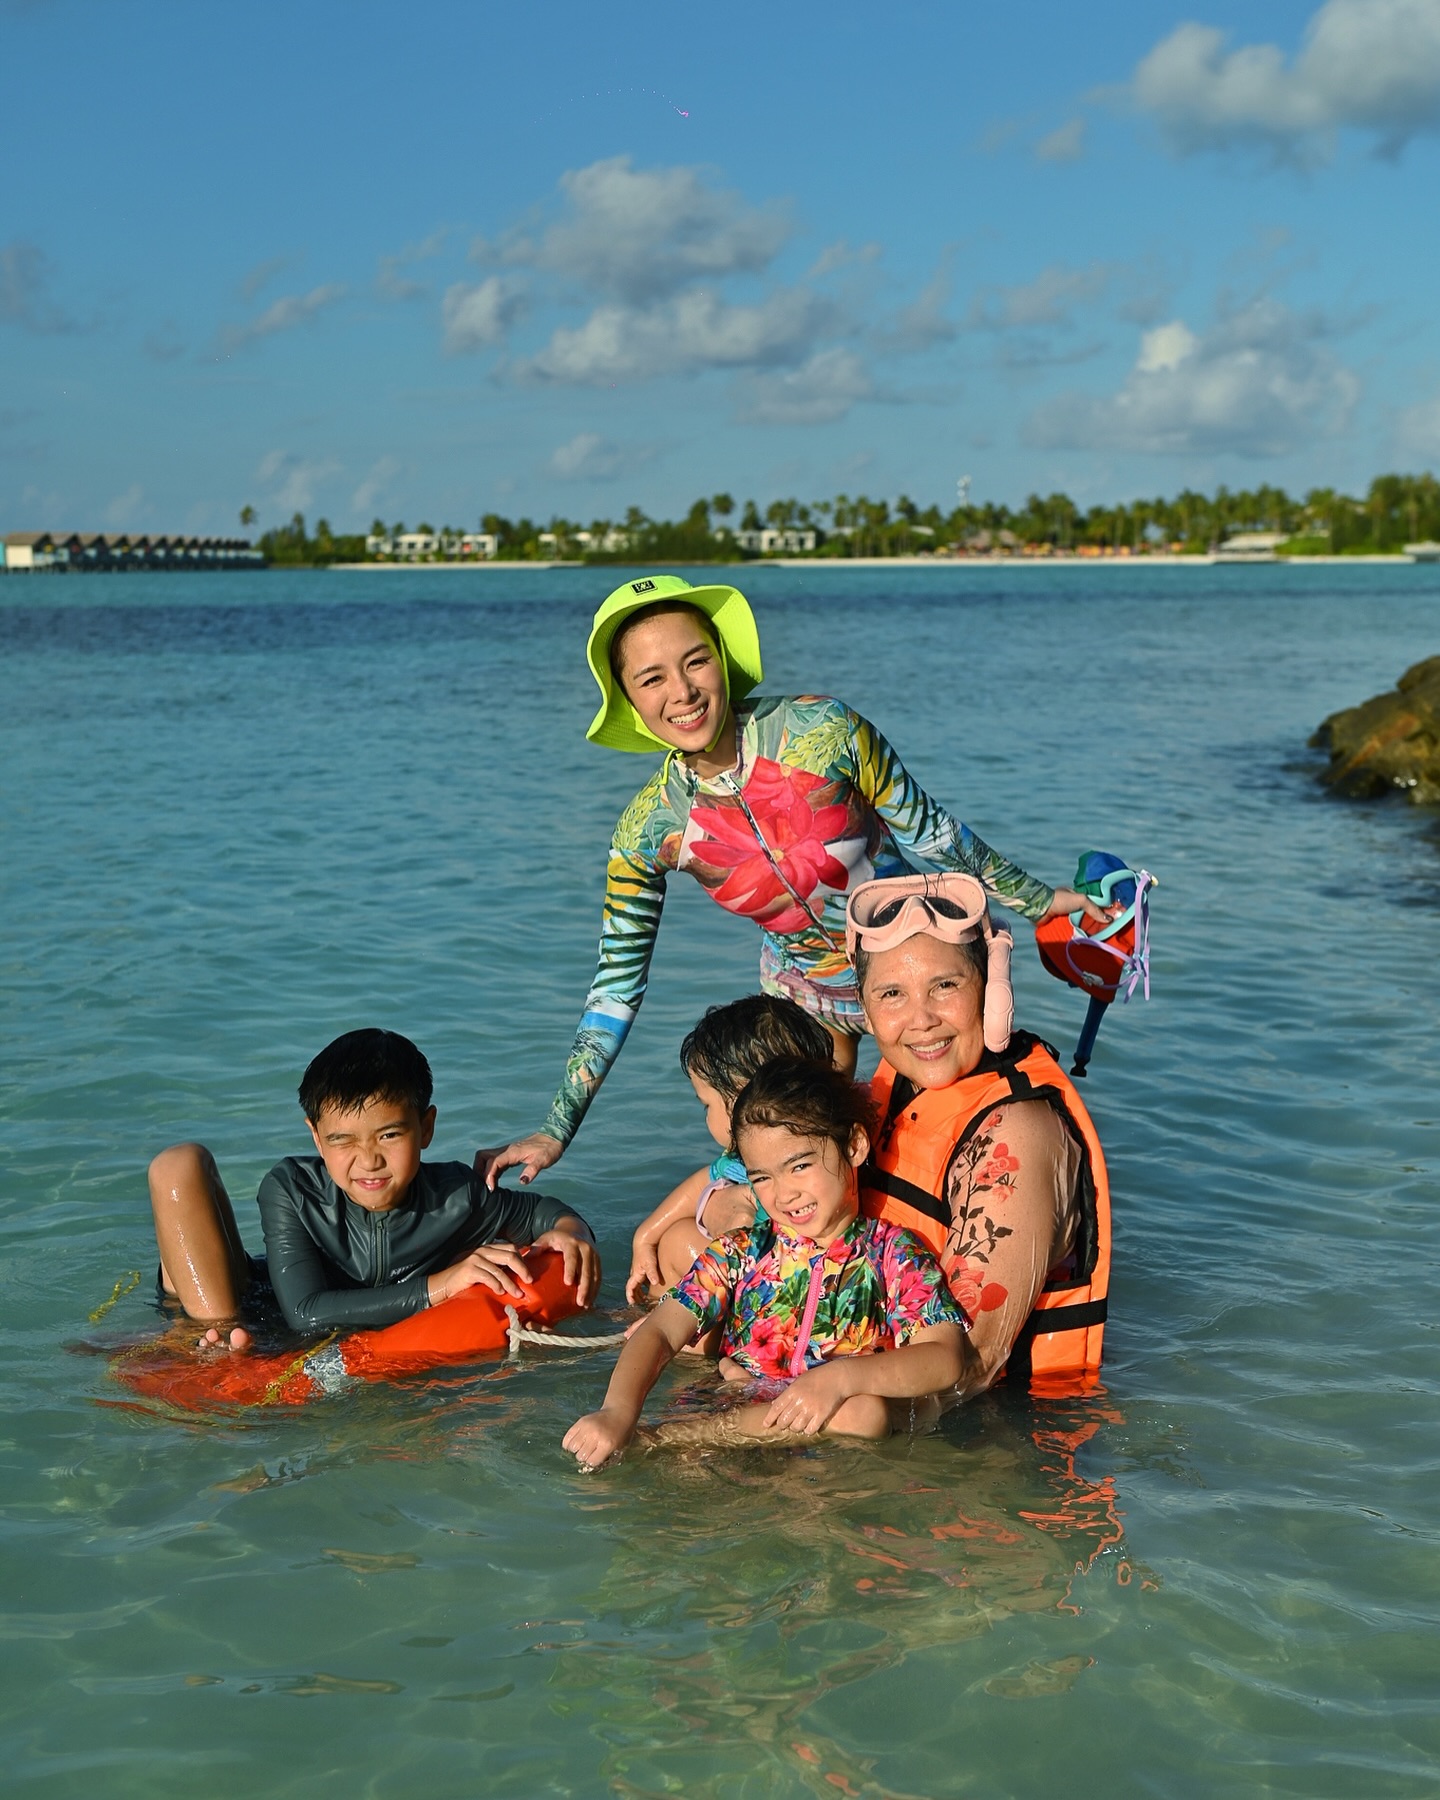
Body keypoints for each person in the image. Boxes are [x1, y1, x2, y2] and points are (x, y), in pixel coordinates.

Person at [478, 574, 1111, 1190]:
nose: (683, 691)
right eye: (653, 678)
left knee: (951, 1138)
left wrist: (1037, 901)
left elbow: (932, 833)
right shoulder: (649, 829)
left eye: (695, 661)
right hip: (805, 999)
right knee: (807, 1161)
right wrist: (557, 1128)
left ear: (723, 660)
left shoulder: (821, 729)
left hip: (909, 967)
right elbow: (617, 985)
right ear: (629, 700)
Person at [563, 1056, 969, 1469]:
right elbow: (661, 1330)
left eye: (800, 1166)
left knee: (864, 1413)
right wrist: (617, 1412)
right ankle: (672, 1439)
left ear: (854, 1146)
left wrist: (838, 1379)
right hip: (729, 1409)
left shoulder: (892, 1254)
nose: (783, 1193)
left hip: (807, 1435)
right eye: (762, 1177)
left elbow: (945, 1357)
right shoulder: (740, 1251)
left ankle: (661, 1440)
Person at [147, 1028, 599, 1349]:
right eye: (342, 1140)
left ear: (426, 1127)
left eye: (389, 1135)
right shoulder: (292, 1189)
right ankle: (208, 1341)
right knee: (178, 1164)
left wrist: (571, 1231)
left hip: (343, 1330)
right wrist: (443, 1285)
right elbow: (304, 1313)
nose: (369, 1161)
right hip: (261, 1308)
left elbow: (546, 1213)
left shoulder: (457, 1195)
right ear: (316, 1137)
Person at [846, 872, 1110, 1398]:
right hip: (863, 1366)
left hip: (996, 1434)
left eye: (945, 986)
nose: (920, 1020)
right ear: (865, 1002)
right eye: (892, 993)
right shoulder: (894, 1083)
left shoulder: (1020, 1132)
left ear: (992, 985)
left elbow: (968, 1367)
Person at [625, 992, 835, 1304]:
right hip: (794, 1284)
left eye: (706, 1105)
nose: (706, 1116)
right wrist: (645, 1236)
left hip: (780, 1299)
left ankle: (660, 1324)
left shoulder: (776, 1164)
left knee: (679, 1243)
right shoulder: (822, 1147)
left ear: (744, 1102)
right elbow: (700, 1182)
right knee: (675, 1238)